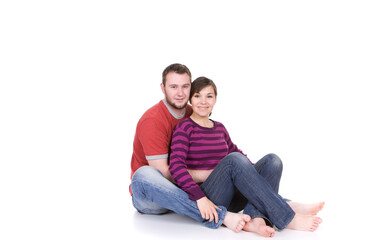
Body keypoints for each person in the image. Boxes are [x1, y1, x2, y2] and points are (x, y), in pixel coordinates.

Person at [169, 76, 324, 237]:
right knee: (233, 160)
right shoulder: (185, 128)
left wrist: (255, 175)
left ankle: (256, 219)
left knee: (273, 161)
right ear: (190, 100)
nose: (203, 101)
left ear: (215, 100)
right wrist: (199, 197)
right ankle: (286, 216)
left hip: (234, 198)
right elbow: (176, 167)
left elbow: (238, 154)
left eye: (209, 96)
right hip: (210, 198)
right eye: (197, 96)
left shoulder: (220, 128)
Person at [130, 63, 251, 232]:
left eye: (185, 86)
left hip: (189, 190)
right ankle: (222, 216)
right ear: (163, 88)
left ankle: (276, 203)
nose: (180, 93)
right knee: (143, 176)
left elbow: (219, 148)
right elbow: (164, 175)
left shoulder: (193, 111)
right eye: (173, 87)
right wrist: (213, 173)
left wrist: (245, 172)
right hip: (154, 196)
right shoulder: (153, 120)